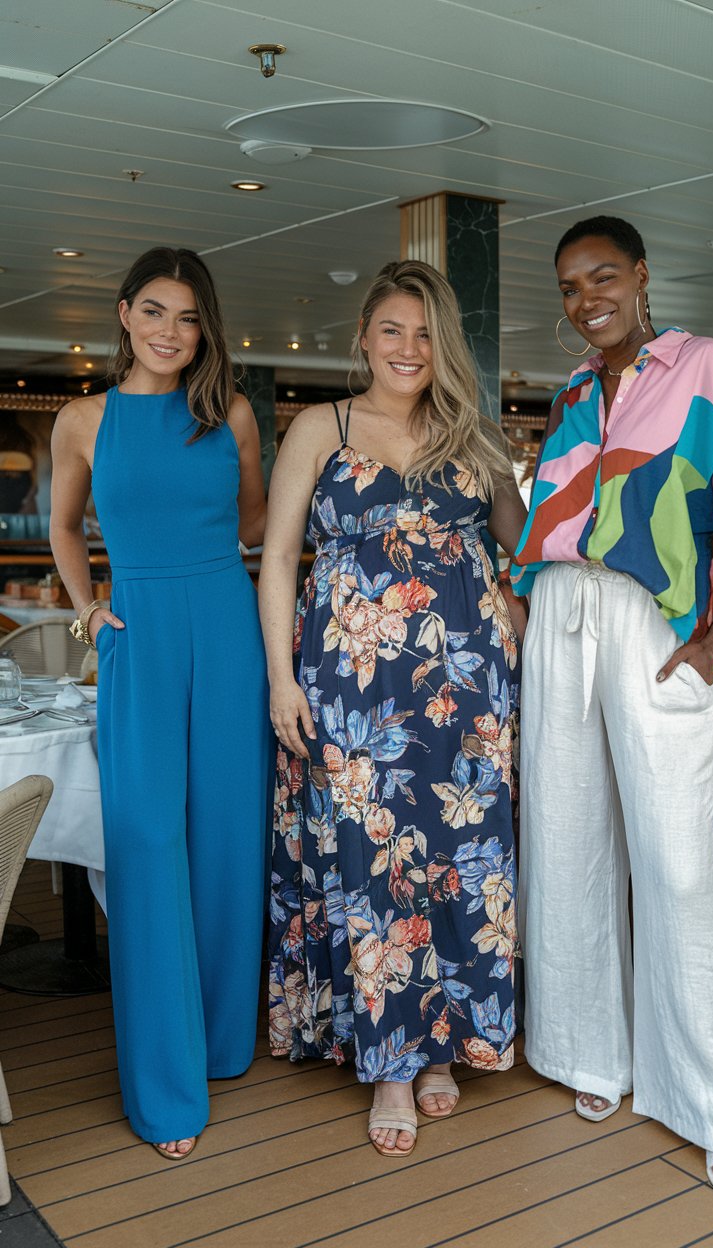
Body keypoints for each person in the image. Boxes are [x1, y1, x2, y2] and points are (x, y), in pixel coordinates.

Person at [511, 215, 713, 1195]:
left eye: (601, 275)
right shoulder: (570, 396)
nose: (585, 296)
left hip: (651, 626)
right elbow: (558, 522)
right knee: (566, 838)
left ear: (639, 276)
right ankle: (592, 1055)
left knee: (678, 867)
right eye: (567, 285)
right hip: (559, 620)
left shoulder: (707, 368)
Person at [261, 260, 526, 1158]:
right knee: (375, 860)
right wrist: (280, 679)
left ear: (442, 343)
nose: (408, 349)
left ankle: (445, 1040)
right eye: (391, 331)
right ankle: (389, 1063)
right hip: (353, 682)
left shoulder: (475, 435)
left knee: (463, 857)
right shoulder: (318, 428)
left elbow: (523, 550)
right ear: (362, 338)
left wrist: (523, 628)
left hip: (468, 688)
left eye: (425, 334)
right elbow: (280, 560)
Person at [50, 247, 272, 1161]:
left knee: (226, 838)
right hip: (136, 635)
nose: (170, 332)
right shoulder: (80, 420)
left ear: (205, 325)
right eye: (154, 312)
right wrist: (88, 610)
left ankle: (223, 1044)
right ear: (124, 313)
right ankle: (165, 1085)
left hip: (226, 630)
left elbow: (258, 520)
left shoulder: (234, 415)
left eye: (187, 317)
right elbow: (65, 527)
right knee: (146, 844)